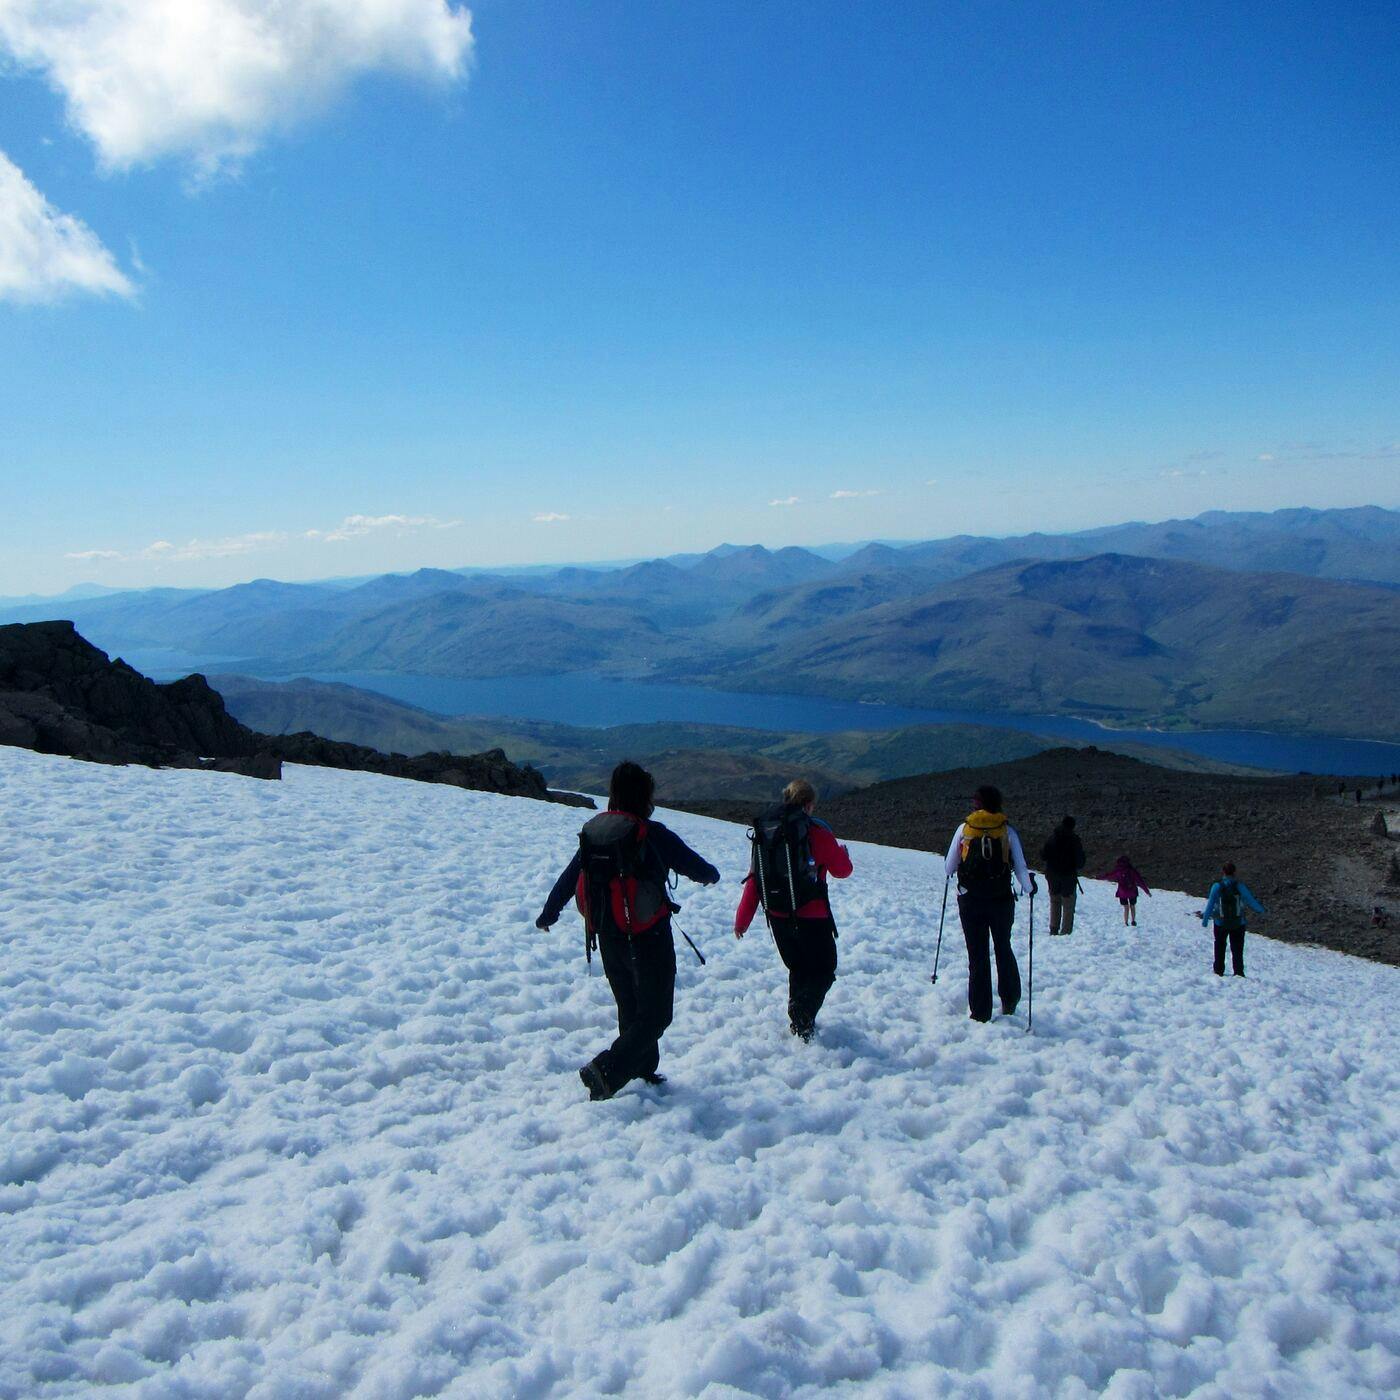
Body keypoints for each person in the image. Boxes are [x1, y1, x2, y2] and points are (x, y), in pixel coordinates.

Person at [536, 761, 719, 1100]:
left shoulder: (596, 835)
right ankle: (607, 1070)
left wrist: (549, 913)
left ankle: (642, 1071)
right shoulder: (652, 833)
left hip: (606, 934)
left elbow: (568, 877)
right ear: (644, 796)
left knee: (631, 1007)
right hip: (649, 937)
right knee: (657, 1014)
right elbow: (699, 867)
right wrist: (710, 876)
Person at [734, 778, 853, 1042]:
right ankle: (802, 1014)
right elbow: (842, 871)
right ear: (809, 804)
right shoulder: (818, 833)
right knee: (824, 968)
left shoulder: (768, 833)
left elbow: (756, 879)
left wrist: (741, 921)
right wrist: (843, 854)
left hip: (777, 914)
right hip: (812, 916)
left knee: (798, 967)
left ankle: (800, 1023)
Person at [944, 784, 1034, 1022]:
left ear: (976, 804)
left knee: (977, 956)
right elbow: (1021, 867)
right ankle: (1010, 1000)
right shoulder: (1006, 831)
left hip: (970, 900)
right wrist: (1030, 888)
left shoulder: (965, 829)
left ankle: (981, 1012)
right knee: (1003, 947)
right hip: (1001, 899)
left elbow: (949, 867)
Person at [1200, 861, 1266, 977]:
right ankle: (1238, 972)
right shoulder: (1239, 886)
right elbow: (1250, 900)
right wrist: (1262, 911)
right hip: (1238, 922)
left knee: (1220, 945)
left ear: (1223, 872)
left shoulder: (1217, 886)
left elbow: (1210, 904)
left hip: (1220, 922)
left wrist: (1205, 920)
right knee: (1237, 948)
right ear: (1234, 872)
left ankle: (1218, 970)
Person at [1040, 816, 1085, 936]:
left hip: (1052, 874)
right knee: (1068, 904)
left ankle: (1053, 928)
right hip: (1068, 876)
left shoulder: (1052, 837)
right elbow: (1080, 862)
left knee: (1055, 901)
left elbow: (1043, 855)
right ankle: (1065, 931)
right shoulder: (1074, 840)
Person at [1100, 855, 1151, 926]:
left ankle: (1126, 922)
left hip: (1122, 892)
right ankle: (1133, 921)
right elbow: (1140, 881)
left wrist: (1099, 877)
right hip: (1132, 891)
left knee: (1126, 907)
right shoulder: (1132, 870)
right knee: (1132, 906)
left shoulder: (1117, 871)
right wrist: (1147, 891)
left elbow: (1108, 875)